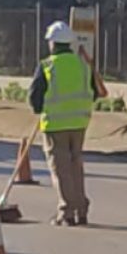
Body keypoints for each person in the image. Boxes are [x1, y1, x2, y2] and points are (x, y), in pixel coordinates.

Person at [28, 21, 95, 226]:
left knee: (61, 169)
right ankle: (81, 210)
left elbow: (34, 96)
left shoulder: (47, 66)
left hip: (55, 125)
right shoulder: (83, 65)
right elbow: (92, 92)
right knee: (76, 166)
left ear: (53, 44)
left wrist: (40, 110)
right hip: (79, 123)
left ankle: (66, 211)